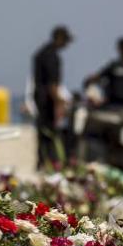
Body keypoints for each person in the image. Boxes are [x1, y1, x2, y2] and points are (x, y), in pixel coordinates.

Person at [32, 25, 72, 169]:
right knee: (49, 133)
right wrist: (60, 102)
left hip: (39, 97)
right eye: (66, 41)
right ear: (60, 38)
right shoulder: (51, 56)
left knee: (43, 132)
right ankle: (48, 162)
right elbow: (52, 84)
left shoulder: (41, 52)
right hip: (46, 100)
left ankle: (43, 162)